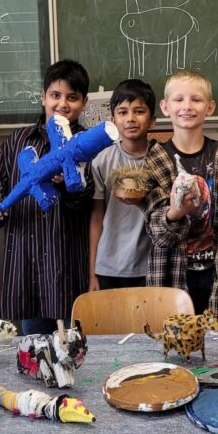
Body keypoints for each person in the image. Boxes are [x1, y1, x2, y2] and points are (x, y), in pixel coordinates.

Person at [0, 60, 93, 335]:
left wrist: (69, 185)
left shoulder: (87, 144)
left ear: (84, 103)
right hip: (24, 261)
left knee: (70, 344)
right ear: (43, 97)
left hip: (64, 262)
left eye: (72, 97)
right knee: (31, 346)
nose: (62, 104)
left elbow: (88, 203)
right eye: (55, 95)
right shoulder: (18, 141)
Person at [144, 70, 218, 325]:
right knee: (175, 349)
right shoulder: (156, 160)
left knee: (217, 350)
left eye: (196, 100)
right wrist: (176, 212)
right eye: (178, 100)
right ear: (165, 107)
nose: (187, 107)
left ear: (210, 107)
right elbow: (158, 232)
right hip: (172, 274)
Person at [88, 79, 157, 291]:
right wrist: (92, 273)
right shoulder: (102, 160)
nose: (130, 119)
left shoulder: (162, 159)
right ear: (113, 119)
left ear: (152, 120)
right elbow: (97, 217)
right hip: (109, 266)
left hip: (150, 266)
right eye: (123, 112)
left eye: (139, 111)